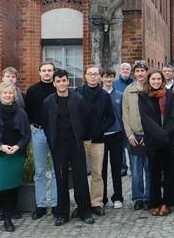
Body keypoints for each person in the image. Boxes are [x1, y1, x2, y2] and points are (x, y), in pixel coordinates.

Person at [42, 70, 95, 226]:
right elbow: (45, 123)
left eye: (64, 80)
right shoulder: (49, 102)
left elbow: (86, 119)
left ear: (68, 82)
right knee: (61, 178)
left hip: (76, 144)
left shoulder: (78, 99)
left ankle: (85, 211)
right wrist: (51, 140)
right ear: (54, 84)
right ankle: (62, 213)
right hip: (58, 145)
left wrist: (82, 135)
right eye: (58, 81)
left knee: (81, 178)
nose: (62, 83)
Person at [0, 82, 31, 235]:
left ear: (14, 95)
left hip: (16, 157)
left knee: (12, 190)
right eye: (5, 93)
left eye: (10, 93)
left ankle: (8, 219)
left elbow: (26, 135)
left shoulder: (21, 113)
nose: (8, 95)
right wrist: (0, 146)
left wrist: (18, 146)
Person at [138, 70, 174, 216]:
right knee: (154, 173)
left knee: (169, 173)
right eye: (153, 79)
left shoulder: (170, 95)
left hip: (170, 140)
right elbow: (146, 120)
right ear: (148, 80)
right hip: (153, 141)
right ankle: (155, 202)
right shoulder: (143, 97)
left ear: (162, 80)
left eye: (158, 79)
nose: (155, 81)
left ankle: (167, 203)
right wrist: (160, 134)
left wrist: (165, 133)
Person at [76, 65, 115, 216]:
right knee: (80, 174)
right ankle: (82, 203)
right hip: (81, 139)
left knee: (97, 173)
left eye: (95, 74)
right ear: (85, 76)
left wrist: (101, 129)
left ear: (99, 76)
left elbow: (110, 117)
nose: (93, 77)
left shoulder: (104, 96)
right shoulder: (77, 93)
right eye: (90, 74)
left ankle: (96, 202)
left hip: (98, 140)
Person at [24, 61, 57, 220]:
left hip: (57, 133)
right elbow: (26, 112)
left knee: (58, 170)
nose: (47, 73)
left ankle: (57, 204)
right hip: (38, 132)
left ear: (53, 72)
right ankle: (41, 205)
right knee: (40, 171)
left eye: (49, 70)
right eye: (44, 70)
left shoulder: (59, 88)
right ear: (39, 72)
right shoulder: (32, 91)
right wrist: (32, 127)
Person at [122, 60, 151, 210]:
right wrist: (129, 134)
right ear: (134, 73)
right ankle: (138, 197)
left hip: (149, 136)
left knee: (149, 168)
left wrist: (150, 135)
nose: (140, 74)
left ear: (147, 72)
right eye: (137, 71)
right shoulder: (128, 90)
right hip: (134, 136)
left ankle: (148, 197)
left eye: (142, 71)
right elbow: (125, 113)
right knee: (136, 170)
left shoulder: (151, 88)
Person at [101, 68, 124, 209]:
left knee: (117, 167)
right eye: (106, 77)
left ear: (114, 78)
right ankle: (102, 198)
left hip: (116, 134)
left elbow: (122, 115)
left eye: (111, 77)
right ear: (102, 78)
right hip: (101, 136)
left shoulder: (120, 95)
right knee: (101, 169)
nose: (108, 80)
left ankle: (118, 197)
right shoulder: (98, 94)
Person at [113, 62, 133, 176]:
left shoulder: (134, 83)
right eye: (123, 69)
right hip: (118, 119)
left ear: (130, 71)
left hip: (130, 119)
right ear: (120, 71)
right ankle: (122, 168)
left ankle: (132, 167)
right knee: (120, 147)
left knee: (131, 146)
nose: (125, 71)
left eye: (128, 69)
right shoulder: (115, 84)